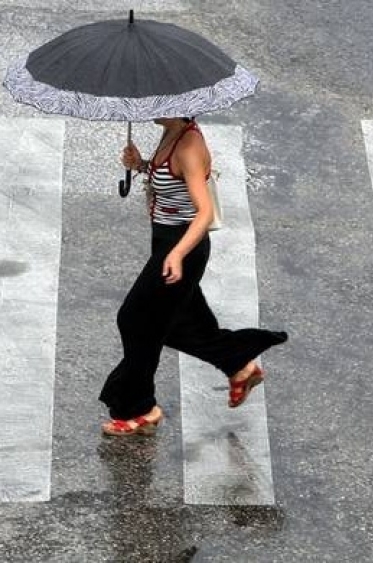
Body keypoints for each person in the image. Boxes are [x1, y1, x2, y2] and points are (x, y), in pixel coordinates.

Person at [99, 116, 288, 437]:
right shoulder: (171, 131)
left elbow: (204, 212)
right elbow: (172, 182)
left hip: (182, 248)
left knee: (134, 320)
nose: (149, 106)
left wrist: (176, 254)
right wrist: (142, 164)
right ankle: (239, 365)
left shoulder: (188, 146)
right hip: (167, 242)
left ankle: (139, 408)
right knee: (176, 325)